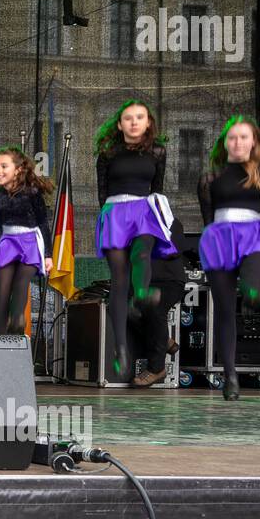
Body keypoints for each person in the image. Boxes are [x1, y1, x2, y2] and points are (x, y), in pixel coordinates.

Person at [197, 116, 260, 401]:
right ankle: (230, 376)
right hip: (221, 237)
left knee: (250, 281)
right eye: (232, 137)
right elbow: (208, 217)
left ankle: (252, 290)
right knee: (225, 311)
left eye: (243, 137)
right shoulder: (210, 176)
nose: (238, 142)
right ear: (225, 142)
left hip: (255, 233)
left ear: (254, 141)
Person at [94, 99, 177, 379]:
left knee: (142, 255)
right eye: (128, 117)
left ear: (148, 122)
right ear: (120, 124)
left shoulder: (157, 151)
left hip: (144, 210)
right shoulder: (107, 152)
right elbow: (101, 192)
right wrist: (108, 218)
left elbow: (158, 189)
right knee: (119, 280)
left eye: (139, 117)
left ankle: (141, 293)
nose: (133, 122)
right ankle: (120, 348)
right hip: (115, 212)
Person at [0, 145, 53, 335]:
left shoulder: (32, 193)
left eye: (3, 166)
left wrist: (48, 255)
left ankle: (17, 321)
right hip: (7, 243)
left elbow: (43, 223)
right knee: (2, 289)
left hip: (30, 243)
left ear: (17, 170)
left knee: (21, 283)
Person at [131, 215, 195, 388]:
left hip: (169, 282)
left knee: (156, 309)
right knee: (125, 308)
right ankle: (164, 340)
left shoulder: (172, 222)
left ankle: (156, 368)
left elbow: (172, 250)